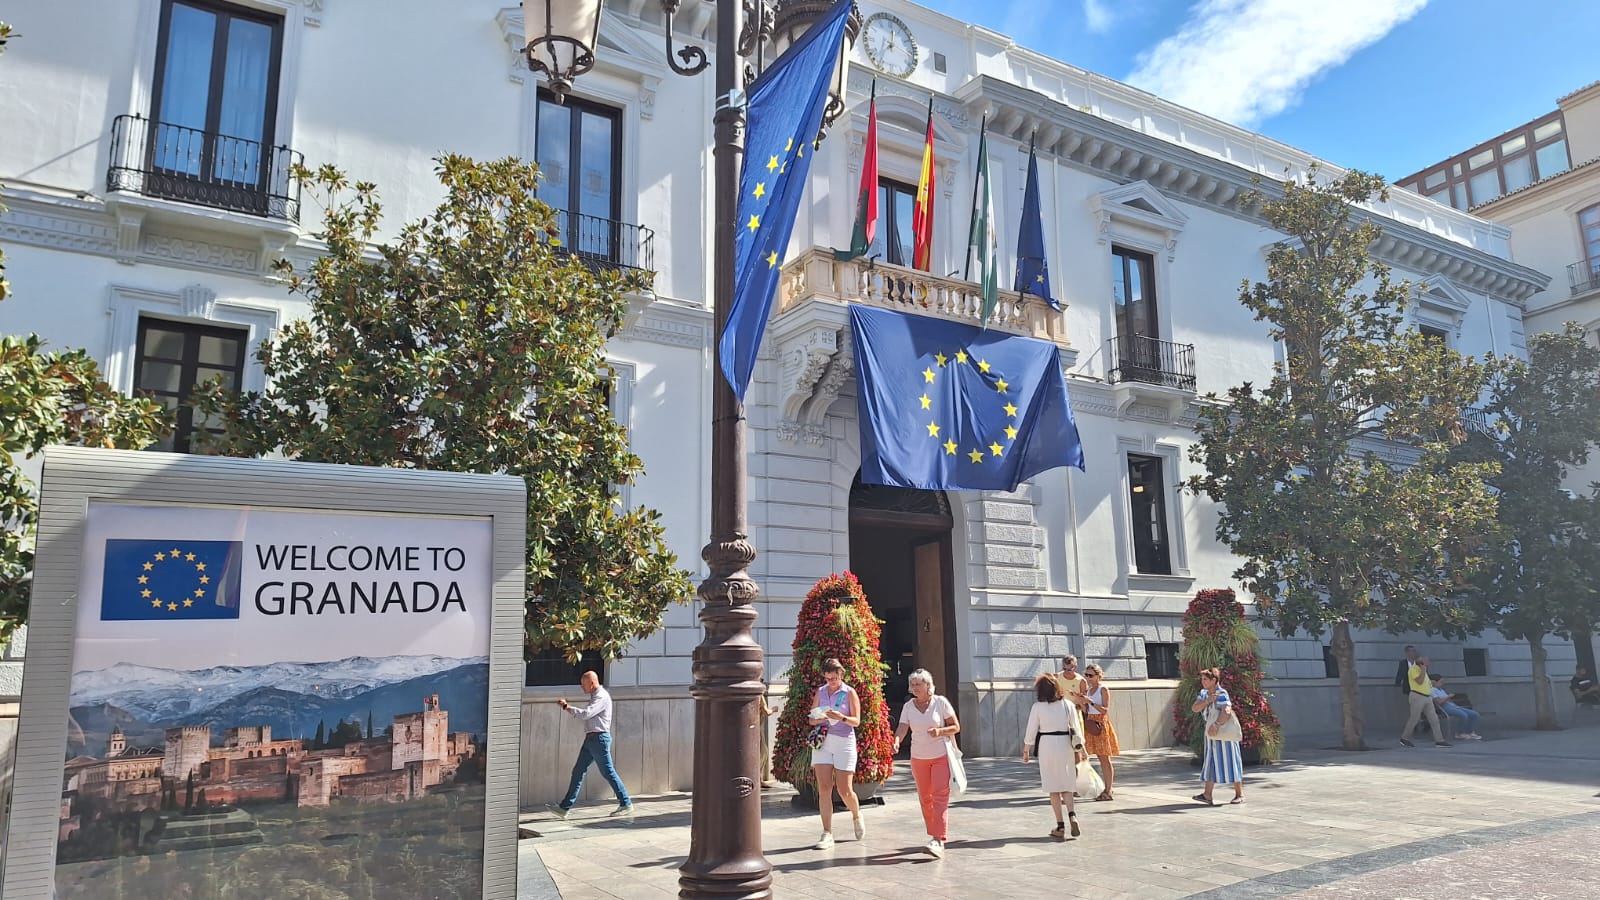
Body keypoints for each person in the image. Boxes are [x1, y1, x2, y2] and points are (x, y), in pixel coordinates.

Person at [892, 668, 960, 859]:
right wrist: (897, 740)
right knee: (925, 798)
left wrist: (940, 732)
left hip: (940, 756)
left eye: (918, 684)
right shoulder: (908, 706)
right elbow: (903, 727)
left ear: (928, 685)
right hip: (918, 758)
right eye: (912, 685)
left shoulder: (940, 702)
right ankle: (934, 834)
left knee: (939, 796)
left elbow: (956, 726)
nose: (914, 688)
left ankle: (938, 838)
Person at [551, 670, 633, 819]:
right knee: (578, 771)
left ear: (592, 683)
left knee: (608, 772)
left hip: (599, 739)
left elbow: (586, 714)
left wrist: (566, 707)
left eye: (584, 684)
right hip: (591, 739)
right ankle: (564, 808)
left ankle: (626, 803)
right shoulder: (596, 696)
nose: (582, 687)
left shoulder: (601, 696)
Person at [1022, 673, 1087, 840]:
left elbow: (1031, 729)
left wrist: (1026, 748)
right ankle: (1072, 813)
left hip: (1047, 744)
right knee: (1066, 784)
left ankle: (1060, 825)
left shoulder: (1038, 707)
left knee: (1053, 787)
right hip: (1065, 744)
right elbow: (1076, 729)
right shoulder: (1068, 705)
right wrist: (1082, 749)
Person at [809, 657, 864, 850]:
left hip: (844, 741)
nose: (831, 681)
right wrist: (820, 717)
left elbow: (856, 721)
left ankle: (856, 815)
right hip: (823, 741)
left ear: (841, 674)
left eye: (834, 678)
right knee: (824, 787)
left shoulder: (849, 693)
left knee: (844, 790)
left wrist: (841, 717)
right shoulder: (821, 692)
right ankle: (827, 833)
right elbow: (811, 719)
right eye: (827, 678)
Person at [1191, 667, 1245, 806]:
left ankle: (1240, 794)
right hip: (1211, 736)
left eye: (1205, 679)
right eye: (1202, 679)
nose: (1202, 682)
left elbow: (1226, 711)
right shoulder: (1204, 694)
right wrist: (1207, 701)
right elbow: (1195, 708)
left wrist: (1216, 725)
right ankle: (1207, 795)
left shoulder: (1222, 693)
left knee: (1231, 761)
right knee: (1211, 762)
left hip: (1223, 735)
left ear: (1214, 680)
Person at [1081, 663, 1121, 801]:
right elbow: (1087, 711)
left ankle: (1109, 789)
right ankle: (1100, 787)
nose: (1088, 678)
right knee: (1096, 756)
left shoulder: (1103, 689)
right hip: (1090, 723)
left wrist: (1090, 702)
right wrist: (1081, 702)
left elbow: (1105, 709)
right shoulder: (1088, 690)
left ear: (1098, 676)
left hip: (1100, 724)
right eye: (1086, 675)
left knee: (1104, 758)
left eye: (1090, 675)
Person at [1399, 655, 1451, 748]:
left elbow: (1427, 684)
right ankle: (1404, 738)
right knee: (1414, 718)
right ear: (1421, 662)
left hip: (1427, 697)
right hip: (1417, 696)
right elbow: (1419, 681)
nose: (1428, 662)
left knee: (1434, 719)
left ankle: (1439, 740)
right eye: (1426, 660)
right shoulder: (1413, 670)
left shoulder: (1425, 671)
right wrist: (1423, 670)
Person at [1430, 674, 1481, 740]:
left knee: (1475, 714)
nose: (1442, 683)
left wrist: (1453, 703)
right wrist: (1448, 697)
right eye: (1440, 682)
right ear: (1434, 682)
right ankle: (1459, 733)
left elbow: (1448, 700)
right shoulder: (1432, 690)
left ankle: (1470, 732)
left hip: (1452, 706)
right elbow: (1439, 702)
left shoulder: (1441, 690)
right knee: (1463, 715)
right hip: (1444, 707)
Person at [758, 682, 774, 788]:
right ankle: (758, 779)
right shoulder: (759, 695)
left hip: (755, 726)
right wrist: (774, 709)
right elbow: (766, 711)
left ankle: (758, 779)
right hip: (757, 728)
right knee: (763, 752)